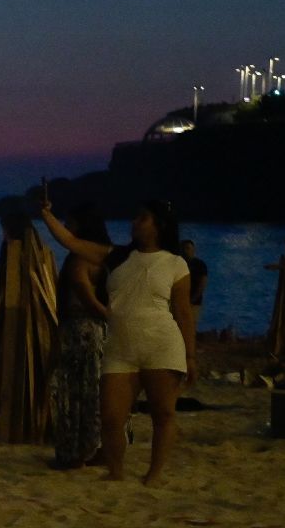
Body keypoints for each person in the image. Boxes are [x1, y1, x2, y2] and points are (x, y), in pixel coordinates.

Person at [39, 198, 196, 485]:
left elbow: (183, 313)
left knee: (162, 413)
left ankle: (154, 473)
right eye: (136, 217)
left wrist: (191, 356)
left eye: (143, 218)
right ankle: (116, 471)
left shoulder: (176, 264)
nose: (135, 222)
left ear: (158, 225)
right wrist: (47, 214)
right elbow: (71, 242)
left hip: (161, 343)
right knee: (111, 416)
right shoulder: (116, 256)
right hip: (121, 346)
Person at [50, 206, 112, 469]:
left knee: (73, 393)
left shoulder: (79, 260)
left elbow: (88, 301)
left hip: (80, 331)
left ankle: (74, 453)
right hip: (97, 332)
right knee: (93, 392)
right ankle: (94, 448)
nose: (67, 224)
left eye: (70, 220)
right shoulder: (105, 257)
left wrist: (110, 316)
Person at [180, 239, 210, 316]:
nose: (185, 251)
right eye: (183, 248)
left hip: (194, 303)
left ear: (193, 250)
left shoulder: (200, 264)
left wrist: (191, 301)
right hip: (179, 301)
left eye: (188, 248)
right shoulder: (178, 264)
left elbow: (202, 284)